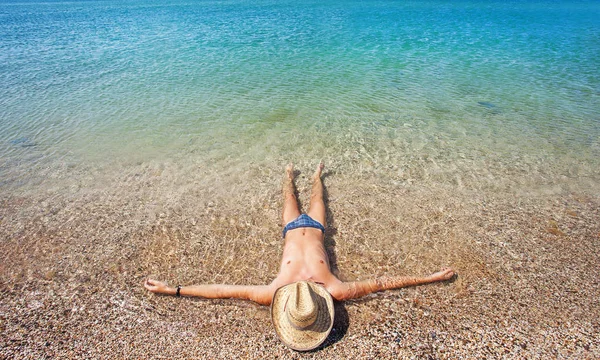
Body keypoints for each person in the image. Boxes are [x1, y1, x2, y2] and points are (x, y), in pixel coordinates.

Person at [145, 162, 455, 351]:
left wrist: (174, 289)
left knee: (289, 196)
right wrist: (428, 277)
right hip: (316, 227)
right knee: (317, 197)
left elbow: (224, 290)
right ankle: (309, 174)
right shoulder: (334, 289)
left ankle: (295, 173)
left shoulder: (274, 291)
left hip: (291, 228)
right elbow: (382, 283)